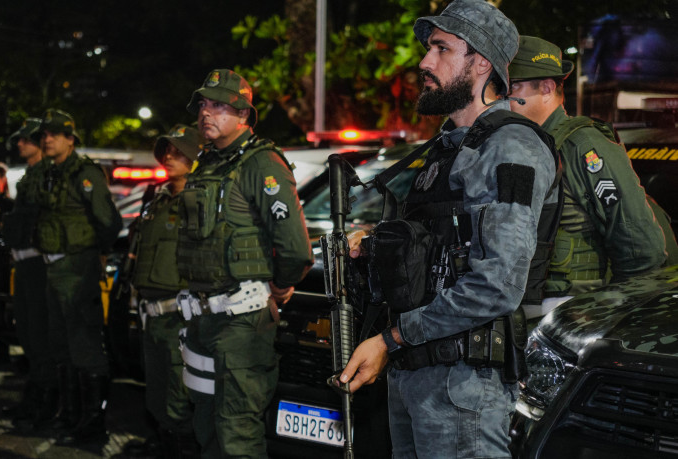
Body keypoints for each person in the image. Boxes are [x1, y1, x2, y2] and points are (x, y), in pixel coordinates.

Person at [339, 1, 557, 457]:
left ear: (480, 63)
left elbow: (497, 284)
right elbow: (440, 247)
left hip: (462, 390)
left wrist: (391, 339)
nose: (424, 61)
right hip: (417, 376)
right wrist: (376, 247)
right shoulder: (448, 148)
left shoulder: (510, 146)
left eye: (441, 48)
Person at [177, 69, 313, 458]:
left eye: (219, 105)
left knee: (237, 434)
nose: (206, 113)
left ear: (243, 115)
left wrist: (281, 285)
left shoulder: (261, 163)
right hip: (202, 319)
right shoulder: (208, 163)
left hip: (241, 323)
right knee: (206, 426)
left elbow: (295, 249)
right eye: (203, 104)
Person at [506, 36, 667, 323]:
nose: (502, 98)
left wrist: (616, 317)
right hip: (517, 318)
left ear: (546, 88)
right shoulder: (513, 147)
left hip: (571, 320)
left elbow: (641, 247)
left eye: (512, 87)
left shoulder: (582, 145)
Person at [34, 109, 122, 444]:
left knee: (85, 346)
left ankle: (93, 424)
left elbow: (109, 222)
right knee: (61, 345)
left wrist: (92, 253)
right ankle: (70, 416)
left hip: (77, 267)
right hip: (55, 267)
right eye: (44, 134)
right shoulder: (50, 173)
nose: (47, 139)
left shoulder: (84, 173)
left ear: (71, 138)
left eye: (54, 133)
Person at [130, 124, 203, 457]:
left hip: (180, 314)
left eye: (179, 151)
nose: (170, 157)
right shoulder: (157, 198)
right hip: (151, 312)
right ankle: (161, 443)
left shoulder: (201, 200)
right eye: (167, 151)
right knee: (155, 388)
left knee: (178, 393)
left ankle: (178, 450)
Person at [0, 118, 58, 431]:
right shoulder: (31, 174)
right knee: (26, 331)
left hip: (38, 262)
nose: (20, 144)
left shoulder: (49, 174)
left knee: (38, 333)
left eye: (26, 140)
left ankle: (45, 401)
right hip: (24, 260)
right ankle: (36, 395)